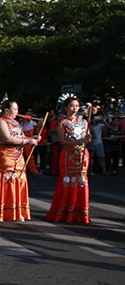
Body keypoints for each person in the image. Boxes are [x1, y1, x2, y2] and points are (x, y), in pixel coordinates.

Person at [0, 100, 37, 222]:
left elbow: (20, 137)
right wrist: (27, 141)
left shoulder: (15, 123)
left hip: (18, 155)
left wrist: (31, 138)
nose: (17, 112)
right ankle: (5, 211)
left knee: (19, 180)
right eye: (14, 109)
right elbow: (7, 138)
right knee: (8, 180)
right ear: (6, 110)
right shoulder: (1, 122)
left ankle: (18, 211)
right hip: (6, 155)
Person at [46, 96, 92, 224]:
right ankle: (65, 212)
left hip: (82, 154)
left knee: (81, 180)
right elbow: (63, 141)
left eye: (77, 106)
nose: (75, 108)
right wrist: (79, 141)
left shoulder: (84, 122)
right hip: (68, 154)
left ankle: (80, 213)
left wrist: (88, 138)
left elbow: (88, 136)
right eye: (72, 106)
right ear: (66, 107)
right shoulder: (62, 123)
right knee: (68, 180)